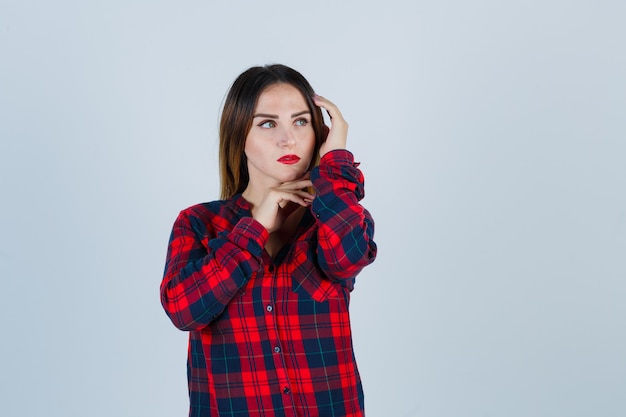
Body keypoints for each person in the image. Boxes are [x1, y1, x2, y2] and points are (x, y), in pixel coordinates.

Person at [160, 64, 377, 417]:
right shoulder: (199, 223)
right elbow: (184, 310)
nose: (287, 139)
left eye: (301, 121)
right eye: (267, 123)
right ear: (238, 135)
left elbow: (348, 256)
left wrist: (335, 163)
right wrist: (256, 225)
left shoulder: (335, 214)